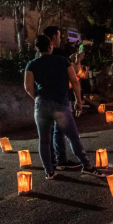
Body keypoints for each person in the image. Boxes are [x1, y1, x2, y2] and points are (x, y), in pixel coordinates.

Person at [24, 35, 105, 180]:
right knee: (73, 137)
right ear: (50, 46)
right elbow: (75, 82)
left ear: (37, 48)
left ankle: (49, 171)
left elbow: (28, 87)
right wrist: (78, 102)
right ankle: (87, 166)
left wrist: (38, 98)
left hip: (41, 105)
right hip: (60, 104)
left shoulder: (31, 64)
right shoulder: (62, 61)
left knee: (44, 140)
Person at [42, 26, 84, 171]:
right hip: (60, 96)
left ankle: (52, 161)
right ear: (53, 38)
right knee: (60, 129)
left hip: (44, 98)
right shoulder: (59, 53)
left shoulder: (39, 56)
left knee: (49, 130)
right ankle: (61, 159)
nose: (60, 39)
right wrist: (78, 60)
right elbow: (75, 73)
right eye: (59, 37)